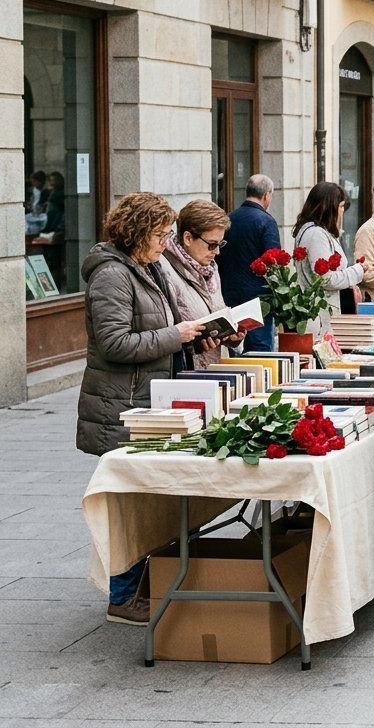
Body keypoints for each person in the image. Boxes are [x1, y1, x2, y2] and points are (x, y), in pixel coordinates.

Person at [79, 192, 207, 626]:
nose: (166, 242)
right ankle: (122, 596)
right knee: (130, 506)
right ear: (137, 232)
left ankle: (146, 584)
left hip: (149, 402)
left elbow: (162, 326)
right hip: (123, 405)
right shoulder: (112, 275)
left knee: (151, 502)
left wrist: (194, 336)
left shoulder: (147, 266)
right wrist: (176, 335)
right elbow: (114, 343)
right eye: (161, 234)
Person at [158, 199, 242, 369]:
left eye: (220, 244)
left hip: (210, 369)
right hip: (185, 374)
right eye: (212, 245)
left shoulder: (210, 269)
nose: (217, 252)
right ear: (188, 238)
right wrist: (195, 344)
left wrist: (232, 336)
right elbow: (164, 333)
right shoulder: (165, 269)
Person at [293, 182, 365, 336]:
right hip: (320, 315)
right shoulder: (316, 234)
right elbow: (326, 279)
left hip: (323, 312)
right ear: (329, 207)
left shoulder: (317, 231)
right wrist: (358, 271)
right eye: (340, 206)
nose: (342, 212)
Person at [217, 174, 280, 351]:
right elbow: (274, 262)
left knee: (232, 344)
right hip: (258, 299)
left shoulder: (229, 219)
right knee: (259, 350)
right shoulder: (266, 221)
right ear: (266, 195)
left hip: (228, 292)